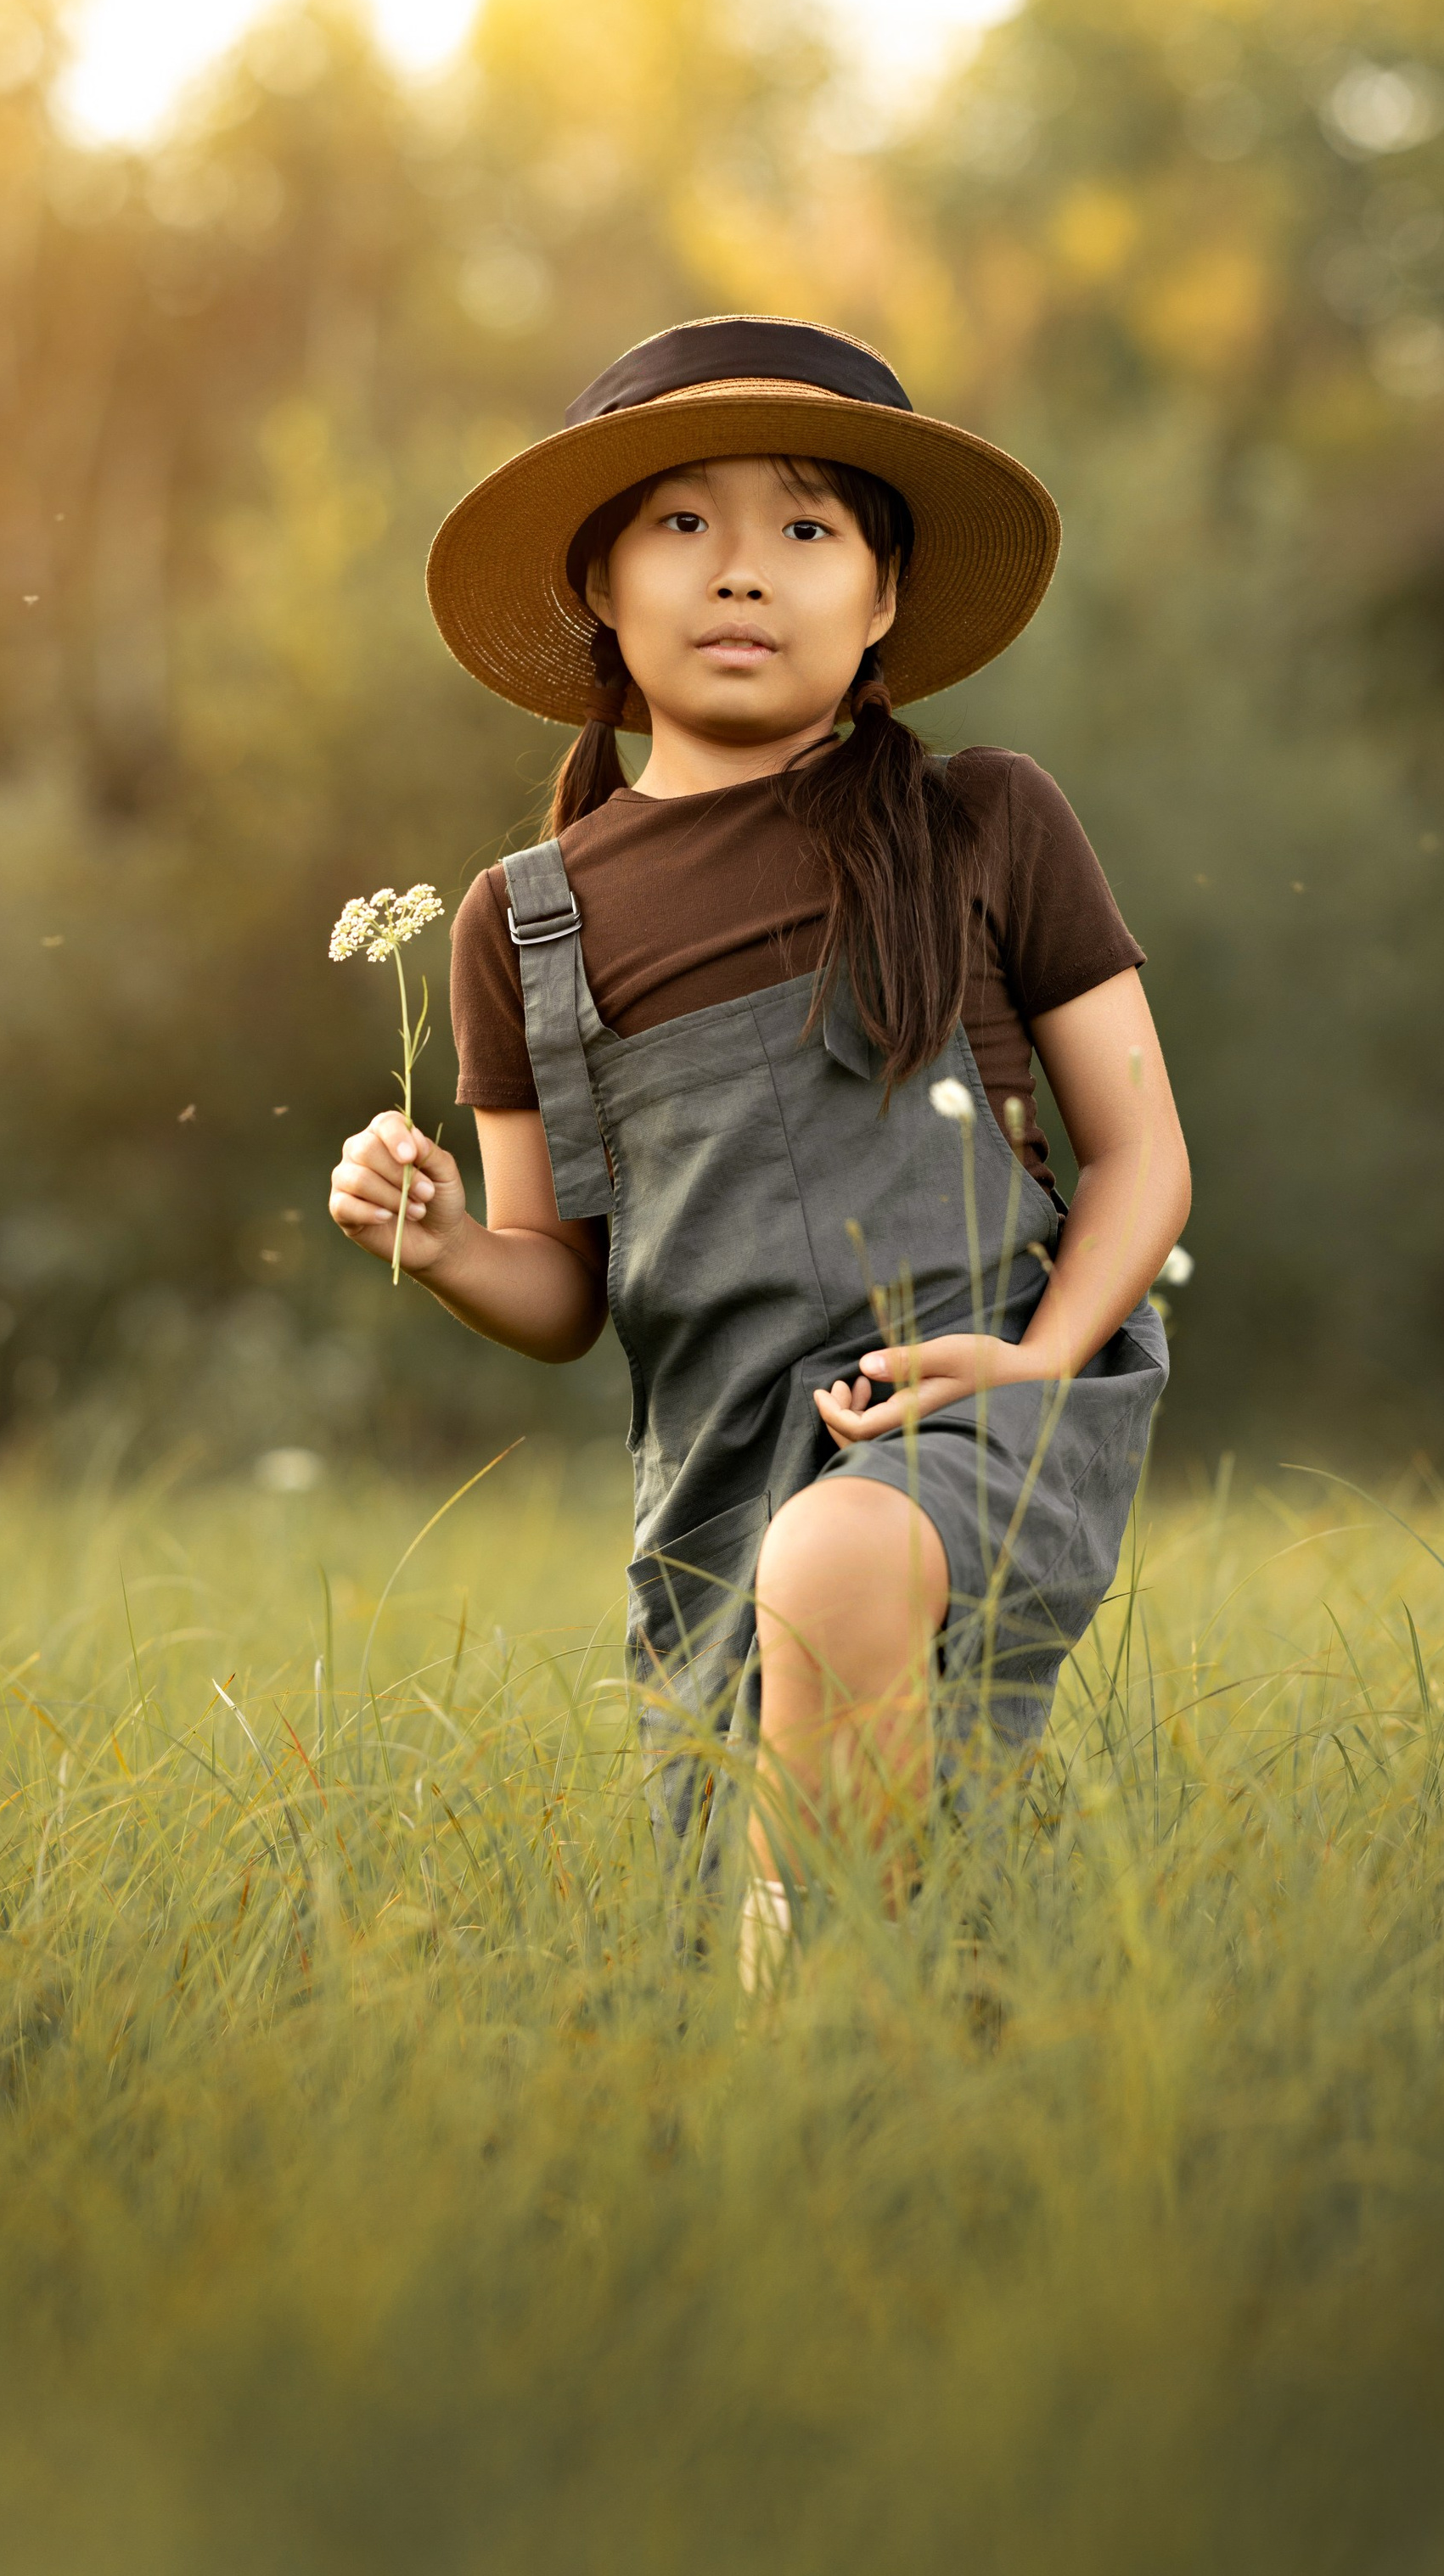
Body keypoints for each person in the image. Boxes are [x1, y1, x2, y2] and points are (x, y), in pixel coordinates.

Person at [329, 317, 1188, 1980]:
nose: (741, 571)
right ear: (597, 583)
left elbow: (1140, 1154)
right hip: (717, 1461)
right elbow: (557, 1286)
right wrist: (438, 1243)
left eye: (804, 528)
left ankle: (823, 2052)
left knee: (844, 1554)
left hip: (985, 1387)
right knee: (833, 1848)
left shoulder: (984, 820)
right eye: (680, 524)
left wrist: (1036, 1356)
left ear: (878, 600)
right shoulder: (527, 921)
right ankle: (910, 2082)